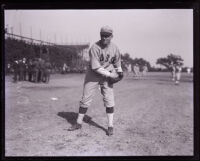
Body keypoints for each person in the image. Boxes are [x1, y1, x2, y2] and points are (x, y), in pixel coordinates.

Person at [68, 26, 123, 136]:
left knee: (109, 99)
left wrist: (120, 73)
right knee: (86, 98)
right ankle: (78, 123)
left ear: (111, 36)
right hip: (93, 74)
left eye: (107, 36)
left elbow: (117, 63)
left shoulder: (115, 48)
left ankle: (110, 126)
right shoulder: (95, 47)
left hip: (107, 74)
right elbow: (96, 67)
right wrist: (111, 75)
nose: (104, 38)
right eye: (102, 35)